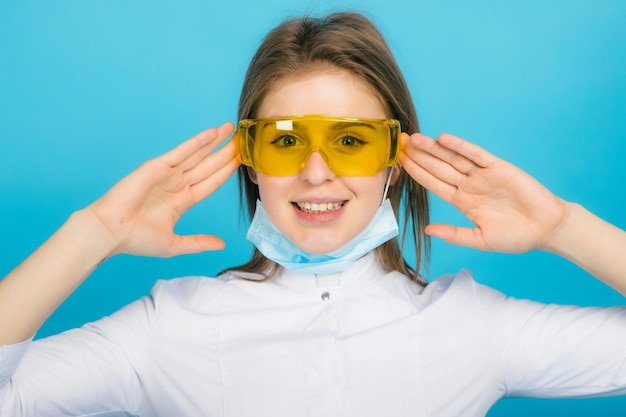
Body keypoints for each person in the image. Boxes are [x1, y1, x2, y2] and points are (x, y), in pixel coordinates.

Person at [1, 11, 625, 417]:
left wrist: (563, 228)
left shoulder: (474, 327)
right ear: (249, 159)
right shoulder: (170, 327)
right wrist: (93, 234)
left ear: (395, 159)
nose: (317, 172)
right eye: (285, 141)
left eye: (351, 142)